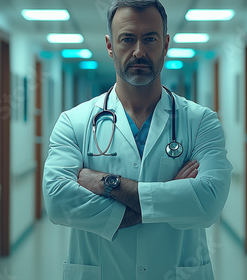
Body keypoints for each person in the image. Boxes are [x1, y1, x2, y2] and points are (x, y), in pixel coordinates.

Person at [43, 0, 232, 279]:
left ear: (165, 44)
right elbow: (58, 203)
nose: (139, 51)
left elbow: (208, 204)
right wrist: (168, 197)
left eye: (150, 39)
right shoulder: (75, 122)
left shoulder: (201, 121)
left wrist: (111, 184)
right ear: (110, 46)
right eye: (127, 39)